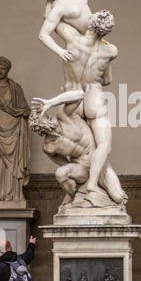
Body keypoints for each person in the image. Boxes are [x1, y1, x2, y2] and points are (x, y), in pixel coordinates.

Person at [31, 11, 126, 204]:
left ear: (89, 23)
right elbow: (107, 80)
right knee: (103, 145)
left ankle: (82, 188)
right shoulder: (111, 50)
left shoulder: (72, 39)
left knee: (85, 150)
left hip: (72, 95)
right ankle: (91, 184)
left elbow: (50, 20)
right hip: (94, 97)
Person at [0, 57, 31, 202]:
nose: (0, 71)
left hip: (13, 131)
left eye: (3, 68)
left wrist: (24, 112)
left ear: (8, 70)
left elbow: (25, 109)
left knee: (12, 166)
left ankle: (13, 195)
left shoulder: (15, 87)